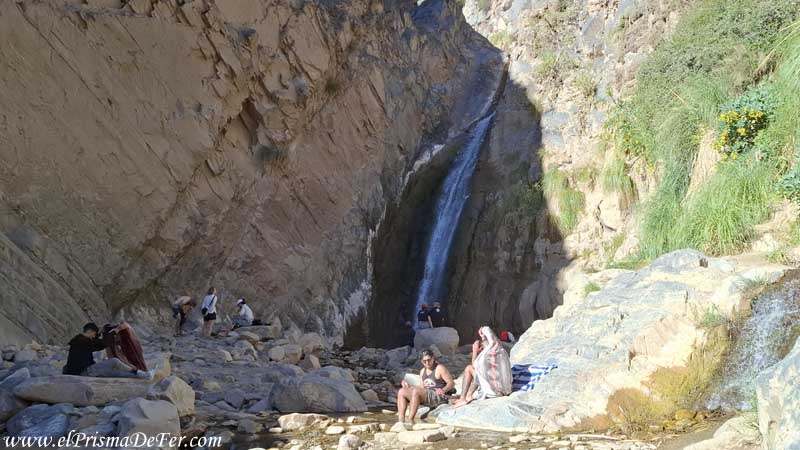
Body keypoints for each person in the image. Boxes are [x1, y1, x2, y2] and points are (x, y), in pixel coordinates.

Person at [63, 322, 154, 379]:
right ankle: (138, 372)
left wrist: (99, 333)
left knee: (115, 373)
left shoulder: (78, 340)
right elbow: (103, 344)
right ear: (89, 331)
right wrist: (115, 331)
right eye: (94, 334)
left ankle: (143, 375)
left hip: (82, 371)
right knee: (114, 362)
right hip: (85, 372)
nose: (94, 337)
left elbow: (96, 343)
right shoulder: (82, 341)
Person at [452, 326, 512, 407]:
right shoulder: (501, 352)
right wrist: (484, 334)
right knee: (479, 374)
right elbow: (493, 338)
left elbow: (475, 367)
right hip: (505, 390)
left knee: (469, 369)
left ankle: (463, 398)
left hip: (493, 392)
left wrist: (475, 351)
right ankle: (469, 395)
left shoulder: (485, 357)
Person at [396, 349, 454, 423]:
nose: (427, 363)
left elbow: (451, 383)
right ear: (421, 361)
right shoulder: (422, 371)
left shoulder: (440, 368)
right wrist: (409, 386)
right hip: (426, 395)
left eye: (429, 360)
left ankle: (410, 420)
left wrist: (443, 390)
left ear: (433, 358)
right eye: (424, 361)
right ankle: (401, 420)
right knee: (402, 391)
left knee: (416, 392)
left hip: (438, 395)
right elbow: (422, 387)